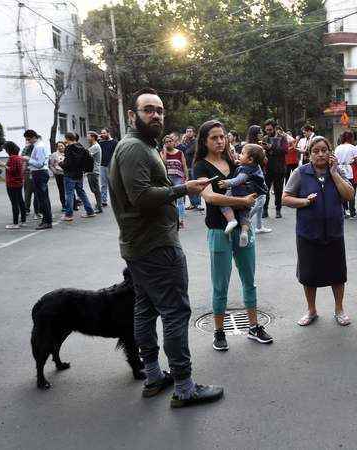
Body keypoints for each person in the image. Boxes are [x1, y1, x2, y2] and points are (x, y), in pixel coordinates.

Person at [109, 88, 224, 407]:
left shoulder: (141, 146)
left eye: (159, 110)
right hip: (155, 246)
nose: (156, 115)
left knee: (144, 309)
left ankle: (153, 376)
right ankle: (185, 387)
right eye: (148, 110)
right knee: (175, 311)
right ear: (133, 115)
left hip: (141, 246)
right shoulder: (134, 149)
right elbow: (141, 197)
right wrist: (182, 189)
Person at [194, 119, 272, 352]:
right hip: (220, 230)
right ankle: (219, 331)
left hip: (243, 229)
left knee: (249, 280)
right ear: (204, 141)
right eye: (214, 137)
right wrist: (242, 201)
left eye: (222, 136)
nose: (220, 141)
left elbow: (256, 183)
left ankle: (254, 326)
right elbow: (209, 197)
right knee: (220, 284)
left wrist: (251, 198)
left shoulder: (235, 161)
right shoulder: (201, 166)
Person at [282, 136, 354, 326]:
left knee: (338, 274)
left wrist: (335, 173)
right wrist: (304, 201)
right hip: (308, 232)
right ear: (309, 154)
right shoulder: (300, 172)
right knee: (309, 274)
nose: (321, 154)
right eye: (316, 151)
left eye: (324, 150)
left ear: (330, 153)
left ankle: (339, 309)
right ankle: (311, 310)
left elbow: (348, 195)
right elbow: (285, 198)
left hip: (334, 231)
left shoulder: (337, 171)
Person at [217, 144, 268, 247]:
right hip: (249, 197)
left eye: (242, 153)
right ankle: (244, 233)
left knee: (223, 202)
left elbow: (238, 180)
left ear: (250, 160)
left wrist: (227, 182)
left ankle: (231, 220)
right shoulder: (256, 167)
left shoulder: (245, 170)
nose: (239, 155)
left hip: (238, 194)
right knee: (244, 214)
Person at [60, 132, 96, 222]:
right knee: (81, 192)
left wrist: (61, 163)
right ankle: (90, 211)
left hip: (69, 174)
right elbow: (89, 158)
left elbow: (68, 163)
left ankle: (68, 215)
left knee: (69, 194)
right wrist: (86, 169)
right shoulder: (81, 147)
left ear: (67, 138)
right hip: (79, 174)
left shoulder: (69, 148)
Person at [22, 130, 52, 229]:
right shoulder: (38, 145)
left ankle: (47, 221)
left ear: (34, 137)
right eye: (26, 139)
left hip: (39, 173)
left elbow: (39, 164)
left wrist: (28, 159)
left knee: (42, 198)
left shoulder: (39, 147)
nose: (27, 141)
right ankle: (46, 220)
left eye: (28, 139)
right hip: (39, 173)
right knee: (43, 198)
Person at [245, 125, 271, 234]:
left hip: (258, 173)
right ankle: (246, 219)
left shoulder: (253, 145)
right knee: (261, 198)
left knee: (261, 199)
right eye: (260, 131)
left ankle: (259, 226)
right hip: (255, 175)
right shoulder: (254, 146)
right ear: (255, 133)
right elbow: (264, 160)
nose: (262, 133)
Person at [161, 134, 189, 228]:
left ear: (173, 142)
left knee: (180, 200)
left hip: (178, 178)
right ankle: (171, 219)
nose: (168, 143)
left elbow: (184, 165)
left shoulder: (180, 152)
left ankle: (180, 220)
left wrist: (187, 177)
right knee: (169, 200)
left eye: (170, 141)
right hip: (167, 178)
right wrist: (164, 151)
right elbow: (163, 163)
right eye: (166, 142)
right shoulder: (162, 153)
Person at [262, 119, 287, 219]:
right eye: (266, 130)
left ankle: (278, 210)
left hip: (279, 168)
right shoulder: (265, 138)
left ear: (274, 128)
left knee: (278, 190)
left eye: (270, 129)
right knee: (265, 190)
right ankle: (265, 210)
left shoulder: (282, 138)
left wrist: (271, 147)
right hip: (267, 168)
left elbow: (285, 150)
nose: (268, 131)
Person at [334, 131, 357, 219]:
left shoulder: (338, 148)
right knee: (351, 190)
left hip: (340, 169)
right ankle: (352, 212)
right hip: (350, 169)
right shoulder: (353, 147)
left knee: (342, 190)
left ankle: (344, 211)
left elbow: (335, 160)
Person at [0, 141, 27, 229]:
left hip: (12, 183)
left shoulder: (12, 158)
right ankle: (23, 221)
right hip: (19, 182)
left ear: (9, 149)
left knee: (14, 203)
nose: (5, 151)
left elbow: (12, 170)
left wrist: (3, 165)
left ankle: (15, 223)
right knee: (20, 201)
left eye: (5, 149)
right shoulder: (19, 158)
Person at [178, 126, 202, 212]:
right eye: (187, 131)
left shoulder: (195, 142)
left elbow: (188, 151)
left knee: (196, 184)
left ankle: (198, 204)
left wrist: (183, 145)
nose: (188, 133)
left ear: (194, 133)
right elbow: (179, 150)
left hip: (194, 166)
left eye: (190, 131)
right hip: (185, 166)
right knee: (189, 186)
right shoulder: (185, 143)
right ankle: (192, 203)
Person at [20, 138, 40, 218]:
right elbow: (23, 159)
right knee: (28, 192)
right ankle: (27, 209)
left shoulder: (37, 148)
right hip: (29, 172)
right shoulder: (26, 149)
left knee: (36, 193)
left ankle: (36, 210)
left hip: (35, 171)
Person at [98, 128, 117, 207]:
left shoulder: (114, 142)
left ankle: (116, 200)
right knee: (103, 184)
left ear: (108, 133)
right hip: (102, 165)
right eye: (101, 133)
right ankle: (104, 200)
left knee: (113, 184)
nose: (102, 134)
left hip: (112, 165)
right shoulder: (100, 143)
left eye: (104, 133)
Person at [86, 131, 103, 214]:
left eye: (88, 136)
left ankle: (99, 207)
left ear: (93, 137)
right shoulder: (93, 146)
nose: (87, 138)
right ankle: (99, 205)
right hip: (91, 171)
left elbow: (86, 155)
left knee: (95, 190)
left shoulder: (95, 147)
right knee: (95, 189)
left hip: (93, 171)